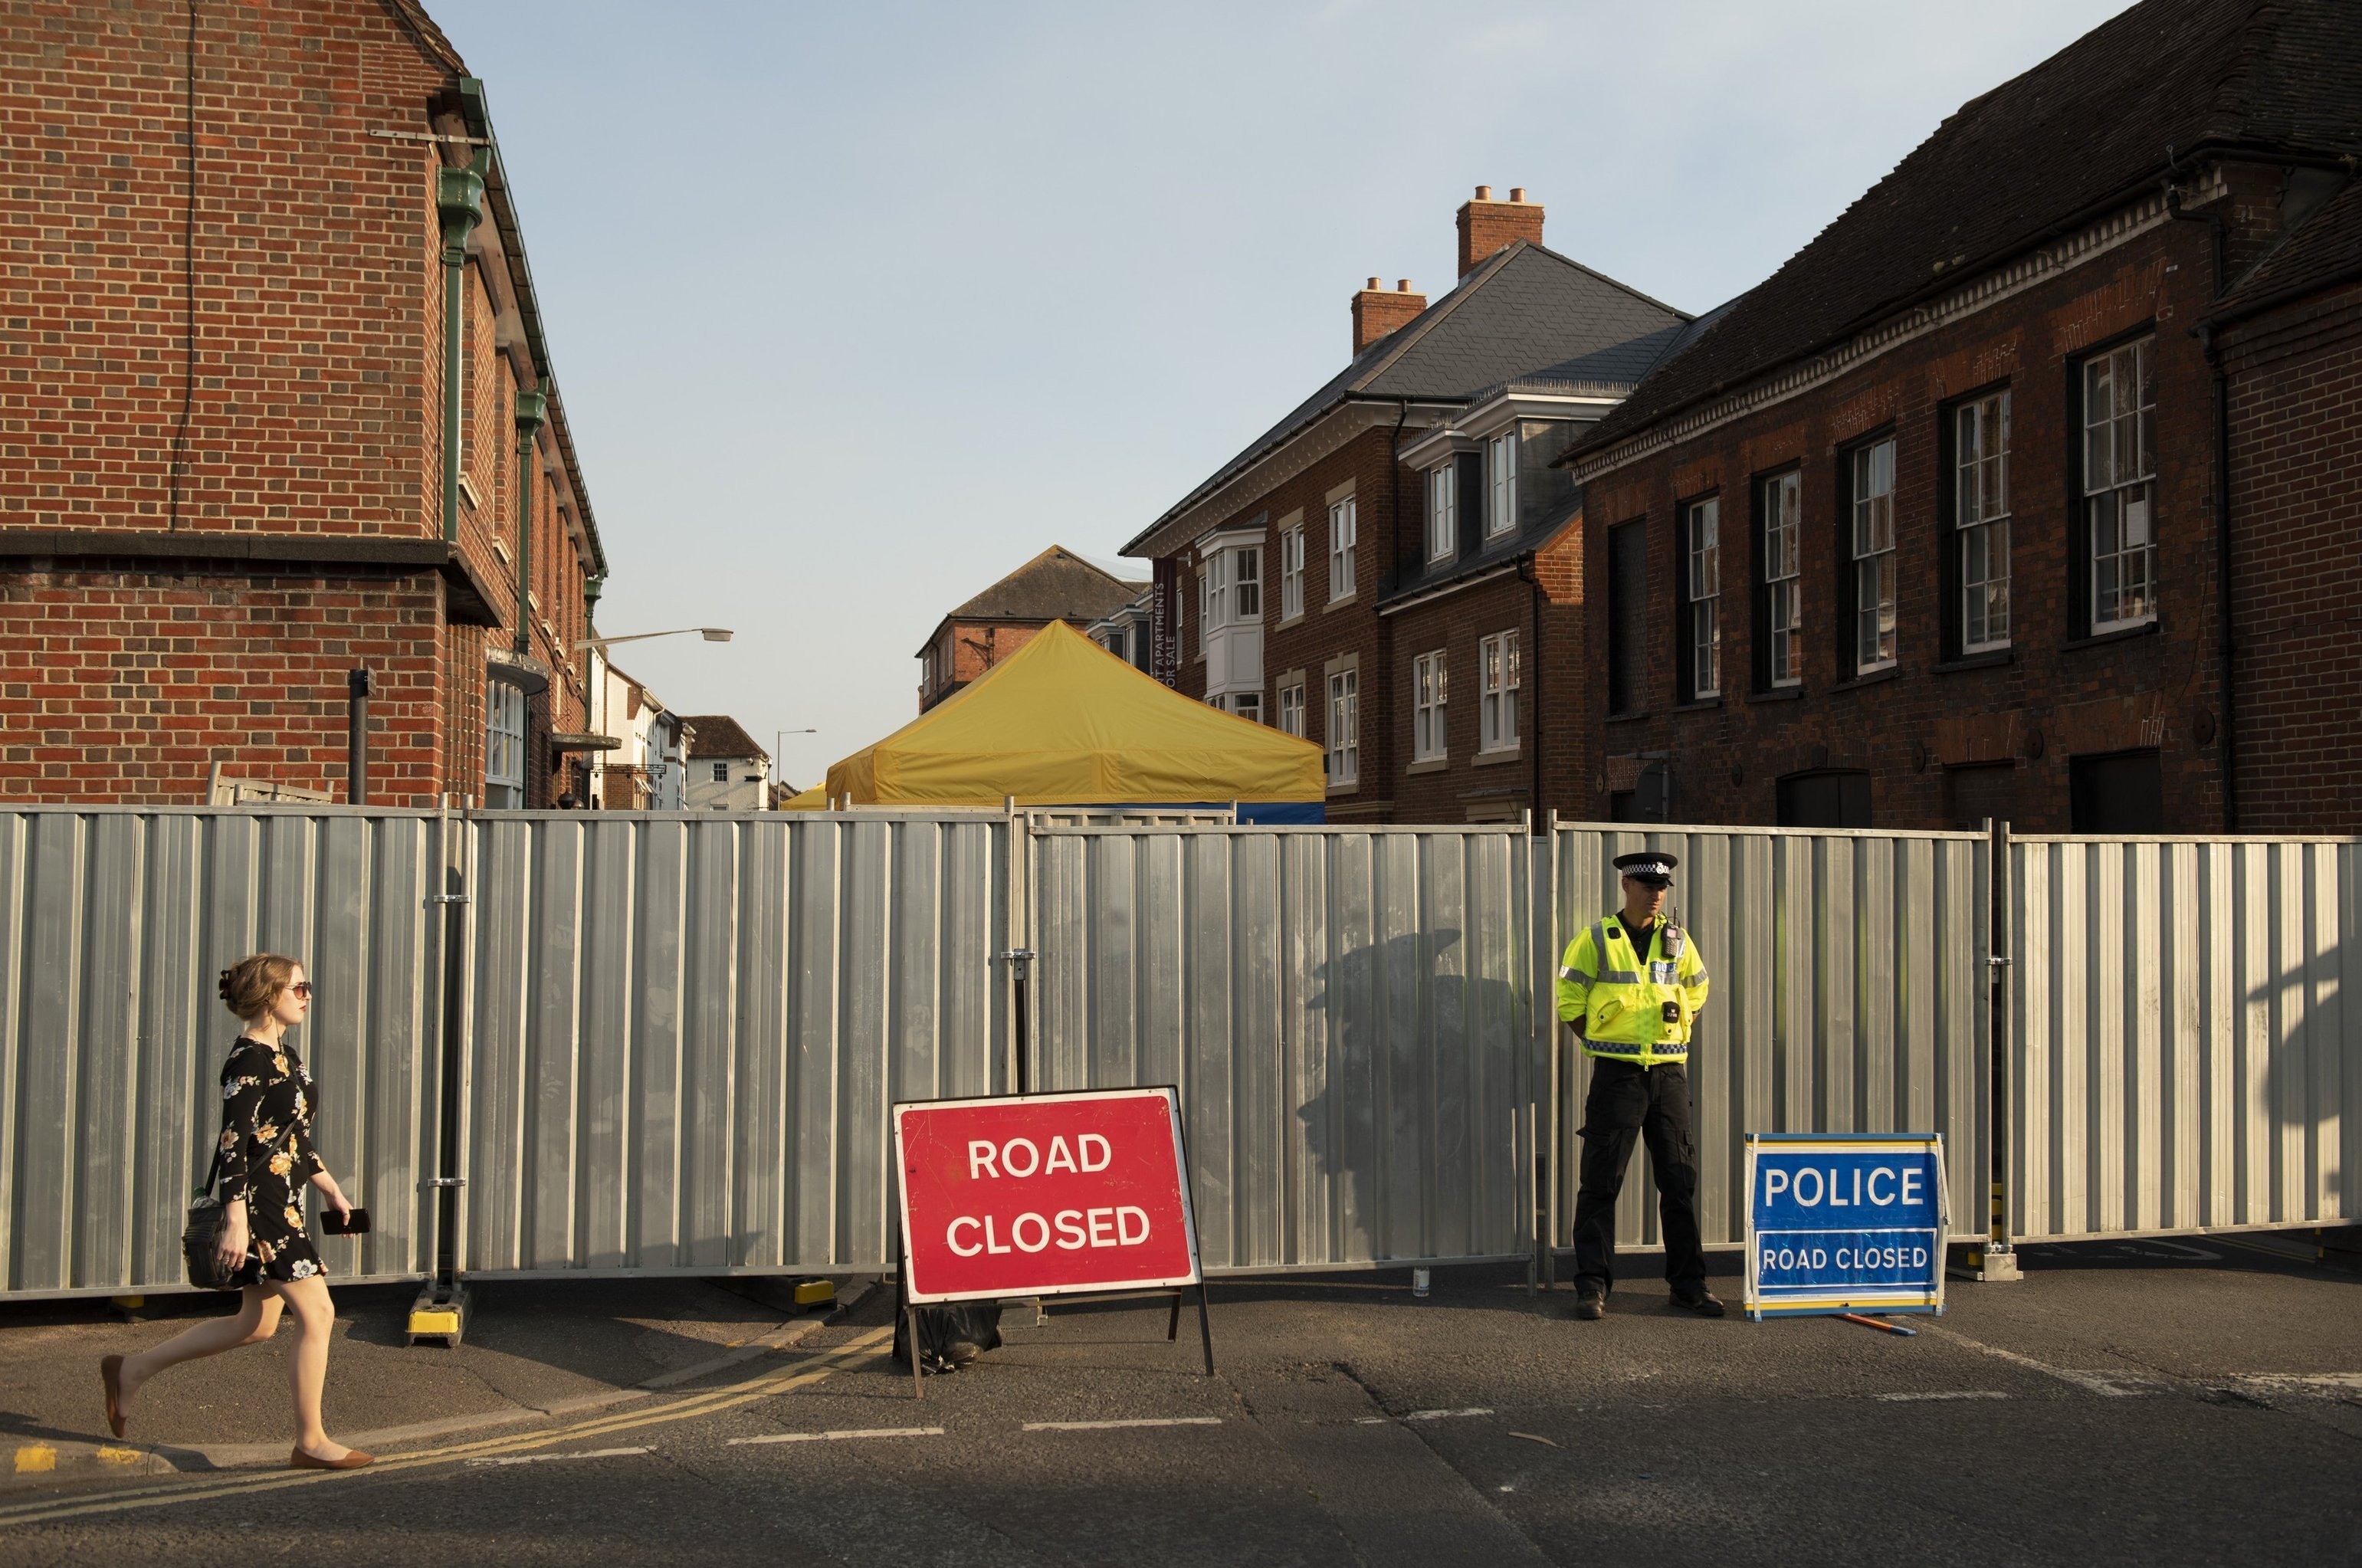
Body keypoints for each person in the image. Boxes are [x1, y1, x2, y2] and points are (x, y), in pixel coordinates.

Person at [99, 954, 373, 1470]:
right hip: (262, 1206)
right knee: (319, 1313)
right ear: (270, 996)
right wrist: (237, 1218)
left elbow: (291, 1137)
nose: (307, 995)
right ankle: (310, 1441)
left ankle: (130, 1370)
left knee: (256, 1325)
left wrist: (331, 1190)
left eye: (307, 986)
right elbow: (233, 1145)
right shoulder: (247, 1059)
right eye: (298, 987)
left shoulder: (286, 1057)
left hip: (283, 1198)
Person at [1555, 851, 1722, 1320]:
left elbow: (1698, 988)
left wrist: (1681, 1023)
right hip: (1618, 1076)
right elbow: (1569, 997)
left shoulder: (1678, 940)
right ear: (1626, 885)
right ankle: (1592, 1286)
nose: (1657, 895)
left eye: (1663, 888)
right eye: (1648, 886)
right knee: (1601, 1184)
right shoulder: (1595, 939)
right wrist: (1598, 1036)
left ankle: (1689, 1286)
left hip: (1669, 1076)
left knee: (1679, 1182)